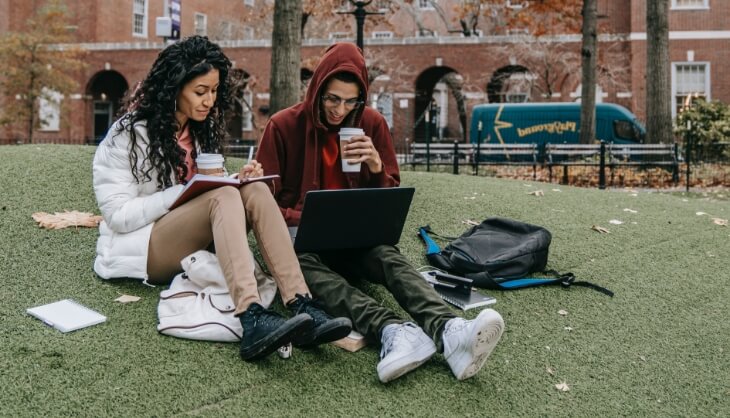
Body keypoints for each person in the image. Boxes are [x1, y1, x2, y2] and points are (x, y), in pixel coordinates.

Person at [92, 36, 351, 362]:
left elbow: (206, 192)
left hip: (192, 236)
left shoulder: (199, 130)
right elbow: (118, 215)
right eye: (200, 92)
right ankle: (251, 314)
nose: (209, 101)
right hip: (144, 247)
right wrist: (190, 191)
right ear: (174, 87)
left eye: (214, 92)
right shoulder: (128, 134)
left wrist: (236, 178)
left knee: (254, 189)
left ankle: (302, 302)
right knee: (223, 195)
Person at [256, 42, 505, 382]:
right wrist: (303, 217)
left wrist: (375, 166)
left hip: (355, 238)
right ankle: (393, 330)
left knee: (388, 255)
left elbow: (388, 199)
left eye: (350, 100)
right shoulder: (283, 126)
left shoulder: (371, 123)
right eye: (331, 98)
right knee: (302, 267)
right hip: (303, 241)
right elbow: (263, 203)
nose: (339, 109)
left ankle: (450, 330)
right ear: (316, 90)